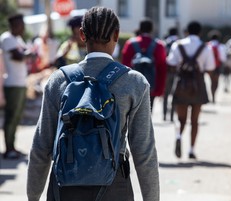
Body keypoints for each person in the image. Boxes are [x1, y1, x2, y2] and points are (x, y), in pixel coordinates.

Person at [27, 6, 159, 201]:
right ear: (116, 35)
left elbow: (41, 145)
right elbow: (144, 151)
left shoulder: (58, 80)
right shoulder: (134, 82)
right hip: (114, 186)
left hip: (64, 185)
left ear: (82, 35)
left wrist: (33, 196)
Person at [167, 21, 215, 159]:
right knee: (195, 120)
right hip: (198, 85)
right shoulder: (205, 48)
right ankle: (192, 150)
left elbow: (171, 62)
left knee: (180, 118)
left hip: (181, 83)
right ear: (200, 32)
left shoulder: (178, 45)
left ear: (186, 31)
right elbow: (210, 67)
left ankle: (178, 135)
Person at [0, 13, 30, 159]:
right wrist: (26, 54)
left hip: (20, 82)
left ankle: (12, 146)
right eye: (21, 24)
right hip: (11, 83)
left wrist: (25, 54)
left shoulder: (17, 39)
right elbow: (19, 56)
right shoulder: (7, 38)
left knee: (17, 117)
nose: (23, 27)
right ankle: (8, 148)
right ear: (14, 25)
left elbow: (25, 54)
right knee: (11, 117)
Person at [122, 18, 167, 111]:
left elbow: (124, 66)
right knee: (148, 114)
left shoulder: (130, 43)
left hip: (133, 86)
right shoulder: (159, 45)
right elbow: (162, 68)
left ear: (140, 28)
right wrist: (160, 90)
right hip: (152, 86)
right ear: (151, 29)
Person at [207, 29, 227, 103]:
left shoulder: (207, 45)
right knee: (216, 82)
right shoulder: (220, 46)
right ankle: (213, 96)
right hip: (217, 67)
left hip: (209, 67)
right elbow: (223, 58)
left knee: (211, 81)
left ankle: (212, 95)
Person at [163, 27, 179, 121]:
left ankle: (164, 115)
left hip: (167, 71)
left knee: (166, 94)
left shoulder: (165, 43)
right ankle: (172, 116)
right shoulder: (179, 43)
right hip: (177, 72)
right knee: (174, 94)